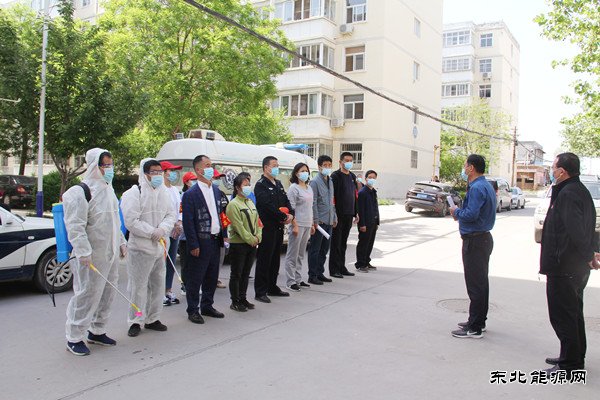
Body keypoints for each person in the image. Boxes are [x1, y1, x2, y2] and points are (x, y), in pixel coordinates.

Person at [539, 152, 600, 376]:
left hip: (565, 267)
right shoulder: (577, 190)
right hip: (572, 266)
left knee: (563, 316)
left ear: (562, 171)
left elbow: (577, 231)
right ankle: (573, 356)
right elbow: (588, 227)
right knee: (573, 314)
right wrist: (591, 254)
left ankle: (570, 364)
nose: (551, 171)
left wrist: (589, 256)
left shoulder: (569, 193)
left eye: (553, 168)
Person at [63, 148, 127, 356]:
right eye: (105, 165)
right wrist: (83, 251)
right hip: (91, 255)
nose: (109, 169)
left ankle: (97, 330)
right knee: (87, 294)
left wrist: (121, 241)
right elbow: (75, 226)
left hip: (110, 253)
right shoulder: (79, 192)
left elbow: (114, 221)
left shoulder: (109, 190)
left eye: (110, 164)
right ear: (94, 166)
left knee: (107, 293)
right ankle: (74, 336)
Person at [121, 159, 177, 337]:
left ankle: (153, 318)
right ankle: (136, 320)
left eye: (160, 172)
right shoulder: (134, 193)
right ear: (145, 174)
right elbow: (131, 221)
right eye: (154, 172)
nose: (158, 175)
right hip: (140, 248)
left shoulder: (164, 193)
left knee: (158, 286)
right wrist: (151, 231)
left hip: (160, 247)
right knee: (138, 288)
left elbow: (171, 214)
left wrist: (162, 229)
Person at [449, 154, 496, 339]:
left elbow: (471, 214)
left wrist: (456, 211)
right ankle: (478, 321)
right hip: (482, 239)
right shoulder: (486, 185)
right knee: (481, 283)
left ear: (471, 168)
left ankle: (474, 327)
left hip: (475, 241)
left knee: (475, 285)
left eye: (465, 165)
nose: (464, 168)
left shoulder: (477, 187)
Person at [181, 155, 225, 324]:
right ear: (198, 170)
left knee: (212, 276)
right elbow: (188, 221)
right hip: (200, 241)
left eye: (211, 165)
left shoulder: (215, 190)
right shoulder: (191, 194)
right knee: (195, 277)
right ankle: (193, 309)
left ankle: (207, 305)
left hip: (215, 238)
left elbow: (219, 214)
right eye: (207, 165)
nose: (210, 168)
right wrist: (193, 244)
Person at [254, 156, 295, 303]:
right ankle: (260, 291)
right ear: (266, 168)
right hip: (267, 227)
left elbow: (286, 201)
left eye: (277, 165)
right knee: (264, 259)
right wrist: (283, 216)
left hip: (278, 226)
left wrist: (291, 214)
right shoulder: (261, 185)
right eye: (274, 165)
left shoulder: (278, 183)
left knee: (275, 258)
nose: (277, 168)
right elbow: (267, 206)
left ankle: (272, 286)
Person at [226, 173, 262, 311]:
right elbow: (238, 226)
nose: (248, 187)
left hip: (252, 243)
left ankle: (243, 298)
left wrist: (258, 236)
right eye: (245, 185)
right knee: (236, 273)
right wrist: (250, 239)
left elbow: (258, 222)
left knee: (246, 273)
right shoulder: (233, 204)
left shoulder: (250, 202)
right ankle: (235, 301)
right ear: (237, 187)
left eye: (249, 184)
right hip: (239, 244)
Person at [284, 163, 315, 292]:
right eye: (302, 171)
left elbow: (310, 207)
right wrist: (294, 225)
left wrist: (312, 224)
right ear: (296, 173)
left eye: (306, 171)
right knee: (293, 254)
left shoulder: (309, 188)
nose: (305, 173)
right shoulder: (293, 188)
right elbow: (291, 208)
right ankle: (290, 281)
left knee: (301, 254)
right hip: (298, 224)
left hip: (307, 223)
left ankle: (298, 278)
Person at [307, 155, 337, 285]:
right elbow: (313, 203)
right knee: (315, 249)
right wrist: (315, 220)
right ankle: (312, 275)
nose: (328, 167)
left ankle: (320, 273)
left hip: (329, 221)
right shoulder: (314, 182)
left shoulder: (330, 181)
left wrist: (334, 217)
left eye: (329, 165)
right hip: (320, 222)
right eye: (325, 165)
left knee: (324, 250)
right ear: (319, 166)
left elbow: (332, 201)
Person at [329, 152, 359, 278]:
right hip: (338, 214)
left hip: (349, 213)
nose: (349, 162)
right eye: (346, 160)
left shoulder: (352, 176)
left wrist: (356, 212)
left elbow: (355, 195)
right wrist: (333, 214)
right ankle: (334, 269)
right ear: (340, 162)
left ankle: (342, 267)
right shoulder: (335, 176)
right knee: (336, 242)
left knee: (343, 242)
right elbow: (332, 196)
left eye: (351, 160)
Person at [160, 161, 183, 306]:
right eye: (171, 170)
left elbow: (179, 208)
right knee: (161, 262)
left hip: (175, 231)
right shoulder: (160, 190)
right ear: (163, 172)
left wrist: (179, 222)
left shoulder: (174, 190)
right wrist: (171, 224)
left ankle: (168, 290)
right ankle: (159, 292)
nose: (174, 173)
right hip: (164, 231)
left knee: (171, 261)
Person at [355, 170, 380, 273]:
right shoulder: (362, 192)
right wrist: (362, 224)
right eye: (370, 177)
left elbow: (375, 207)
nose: (372, 179)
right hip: (365, 223)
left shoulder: (373, 191)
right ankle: (360, 264)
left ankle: (366, 262)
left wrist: (377, 222)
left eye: (374, 178)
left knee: (369, 243)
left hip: (373, 222)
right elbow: (360, 210)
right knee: (363, 244)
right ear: (365, 179)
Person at [178, 171, 197, 294]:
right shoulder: (184, 196)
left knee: (195, 262)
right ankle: (185, 285)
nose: (195, 182)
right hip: (185, 236)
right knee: (186, 263)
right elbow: (181, 215)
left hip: (196, 235)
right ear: (186, 182)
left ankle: (194, 285)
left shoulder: (197, 195)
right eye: (192, 180)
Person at [212, 168, 229, 289]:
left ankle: (215, 279)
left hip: (222, 231)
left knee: (220, 257)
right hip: (210, 232)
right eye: (216, 178)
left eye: (219, 178)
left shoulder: (221, 194)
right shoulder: (206, 194)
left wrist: (226, 235)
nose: (218, 180)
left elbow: (225, 214)